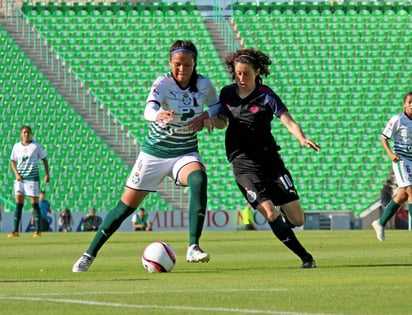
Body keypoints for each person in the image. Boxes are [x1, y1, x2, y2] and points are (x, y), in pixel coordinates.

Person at [72, 40, 223, 272]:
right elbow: (148, 109)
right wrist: (158, 115)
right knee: (125, 207)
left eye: (187, 65)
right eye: (177, 64)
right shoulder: (162, 83)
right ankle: (88, 254)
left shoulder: (204, 84)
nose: (182, 69)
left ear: (195, 64)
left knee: (198, 179)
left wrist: (208, 117)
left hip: (184, 151)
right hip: (154, 153)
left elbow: (218, 108)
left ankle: (193, 246)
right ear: (170, 62)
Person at [217, 48, 320, 268]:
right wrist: (208, 120)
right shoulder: (226, 94)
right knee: (270, 211)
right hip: (243, 165)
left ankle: (283, 222)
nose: (241, 78)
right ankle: (305, 257)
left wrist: (301, 138)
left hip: (270, 161)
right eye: (237, 74)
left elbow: (288, 120)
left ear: (257, 72)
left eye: (246, 73)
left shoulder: (266, 95)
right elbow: (222, 120)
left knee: (298, 220)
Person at [372, 91, 412, 241]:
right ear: (405, 104)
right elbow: (384, 138)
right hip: (401, 160)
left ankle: (380, 223)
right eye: (410, 102)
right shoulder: (398, 119)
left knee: (402, 195)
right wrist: (390, 154)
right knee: (411, 191)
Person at [8, 125, 50, 238]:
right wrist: (16, 174)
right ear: (21, 134)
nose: (26, 134)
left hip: (32, 178)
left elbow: (45, 160)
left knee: (34, 204)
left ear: (31, 133)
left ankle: (37, 230)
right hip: (20, 179)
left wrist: (47, 174)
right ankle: (15, 230)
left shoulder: (36, 146)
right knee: (19, 204)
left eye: (28, 132)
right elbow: (12, 161)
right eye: (24, 132)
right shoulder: (16, 147)